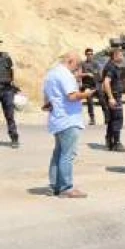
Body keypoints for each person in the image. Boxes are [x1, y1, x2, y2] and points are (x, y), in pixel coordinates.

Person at [44, 52, 94, 197]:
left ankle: (55, 185)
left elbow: (47, 100)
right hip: (69, 119)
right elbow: (72, 96)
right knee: (67, 154)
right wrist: (87, 94)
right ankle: (66, 188)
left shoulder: (51, 74)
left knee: (58, 153)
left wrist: (76, 78)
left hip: (57, 118)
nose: (77, 68)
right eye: (77, 65)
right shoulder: (65, 75)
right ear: (70, 61)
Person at [100, 48, 125, 152]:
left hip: (114, 95)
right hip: (114, 96)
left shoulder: (110, 66)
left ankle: (109, 140)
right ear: (115, 56)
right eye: (121, 55)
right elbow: (106, 82)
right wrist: (111, 97)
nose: (123, 57)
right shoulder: (111, 67)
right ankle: (116, 142)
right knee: (117, 119)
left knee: (112, 119)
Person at [78, 48, 100, 126]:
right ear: (86, 55)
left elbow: (98, 73)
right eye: (88, 54)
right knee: (89, 101)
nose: (90, 55)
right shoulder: (82, 64)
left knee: (103, 100)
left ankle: (107, 118)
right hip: (87, 85)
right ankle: (92, 118)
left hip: (95, 85)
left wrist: (94, 74)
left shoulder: (96, 63)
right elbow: (79, 74)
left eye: (91, 54)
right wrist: (87, 74)